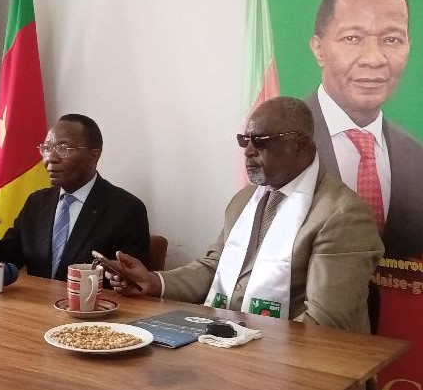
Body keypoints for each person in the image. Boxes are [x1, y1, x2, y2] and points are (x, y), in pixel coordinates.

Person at [107, 97, 382, 333]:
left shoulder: (342, 215)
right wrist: (153, 281)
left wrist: (243, 347)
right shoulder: (245, 200)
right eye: (244, 140)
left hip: (296, 367)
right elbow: (214, 267)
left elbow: (326, 323)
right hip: (229, 342)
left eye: (260, 141)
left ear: (300, 145)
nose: (248, 151)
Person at [307, 0, 423, 266]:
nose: (374, 58)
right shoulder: (278, 145)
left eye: (392, 39)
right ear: (319, 49)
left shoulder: (421, 163)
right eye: (352, 38)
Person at [0, 114, 150, 281]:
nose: (50, 158)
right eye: (46, 148)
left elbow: (132, 284)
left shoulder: (126, 209)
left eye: (63, 148)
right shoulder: (37, 203)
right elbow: (9, 260)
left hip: (92, 322)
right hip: (35, 314)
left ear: (94, 155)